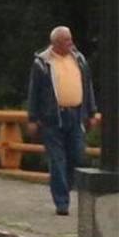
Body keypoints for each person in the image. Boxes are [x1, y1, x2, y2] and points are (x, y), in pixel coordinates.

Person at [26, 26, 99, 215]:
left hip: (76, 115)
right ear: (56, 43)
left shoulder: (79, 59)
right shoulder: (42, 63)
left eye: (70, 39)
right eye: (67, 40)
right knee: (57, 159)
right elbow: (34, 92)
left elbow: (87, 86)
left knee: (77, 156)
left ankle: (65, 189)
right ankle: (62, 202)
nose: (71, 43)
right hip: (52, 118)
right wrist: (33, 118)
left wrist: (91, 112)